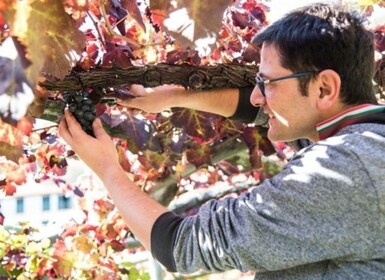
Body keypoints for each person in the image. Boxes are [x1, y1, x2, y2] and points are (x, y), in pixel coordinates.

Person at [59, 3, 385, 279]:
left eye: (268, 83)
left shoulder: (341, 168)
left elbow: (186, 246)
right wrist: (176, 97)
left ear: (325, 88)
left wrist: (108, 171)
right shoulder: (366, 144)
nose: (257, 96)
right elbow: (256, 109)